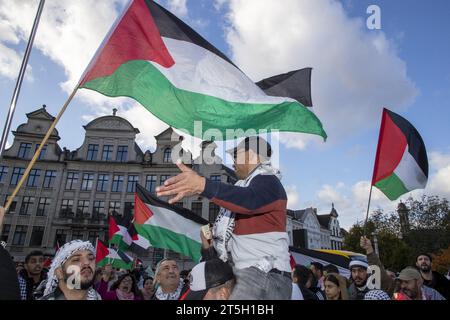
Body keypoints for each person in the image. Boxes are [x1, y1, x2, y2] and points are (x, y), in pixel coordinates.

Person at [156, 136, 292, 300]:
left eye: (236, 154)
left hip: (263, 274)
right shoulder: (247, 187)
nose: (232, 160)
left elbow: (249, 201)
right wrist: (208, 248)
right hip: (251, 274)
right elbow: (228, 255)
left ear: (250, 155)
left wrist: (202, 185)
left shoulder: (268, 181)